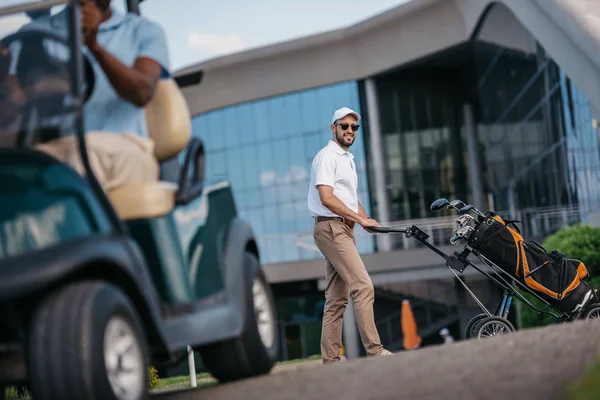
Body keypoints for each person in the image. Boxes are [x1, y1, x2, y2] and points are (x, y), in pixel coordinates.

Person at [21, 0, 170, 191]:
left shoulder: (141, 30)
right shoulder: (36, 33)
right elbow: (21, 99)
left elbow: (142, 93)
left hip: (129, 146)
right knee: (16, 170)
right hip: (60, 147)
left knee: (83, 157)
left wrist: (95, 47)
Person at [308, 106, 393, 364]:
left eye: (354, 127)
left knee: (336, 298)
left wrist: (364, 219)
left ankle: (330, 361)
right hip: (332, 227)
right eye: (344, 126)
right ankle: (376, 352)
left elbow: (349, 198)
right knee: (363, 286)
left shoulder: (347, 159)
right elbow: (327, 197)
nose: (349, 131)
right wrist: (358, 218)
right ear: (333, 128)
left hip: (342, 228)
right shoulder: (327, 156)